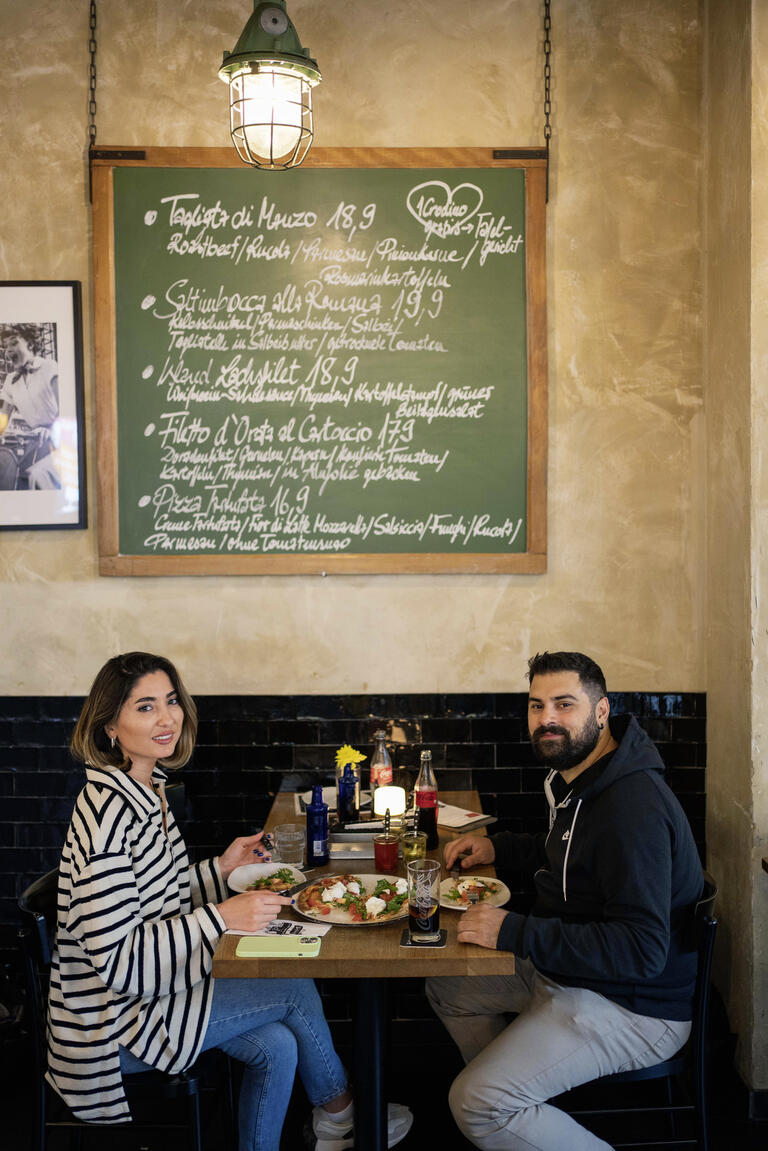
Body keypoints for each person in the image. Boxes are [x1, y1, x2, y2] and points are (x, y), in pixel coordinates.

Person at [47, 651, 412, 1151]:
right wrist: (220, 916)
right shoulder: (109, 817)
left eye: (171, 701)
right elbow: (118, 959)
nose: (167, 718)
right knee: (292, 985)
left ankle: (326, 1129)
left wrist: (221, 869)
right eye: (145, 707)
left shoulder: (145, 789)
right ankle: (343, 1117)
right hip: (112, 1024)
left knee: (278, 1045)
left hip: (154, 995)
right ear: (110, 724)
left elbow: (157, 896)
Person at [426, 650, 705, 1151]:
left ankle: (502, 1108)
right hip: (573, 973)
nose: (547, 719)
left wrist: (513, 930)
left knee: (475, 1103)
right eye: (536, 706)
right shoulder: (584, 776)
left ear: (601, 711)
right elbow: (573, 852)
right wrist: (499, 847)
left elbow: (642, 951)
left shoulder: (631, 808)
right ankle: (525, 1113)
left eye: (564, 704)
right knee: (449, 987)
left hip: (634, 1006)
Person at [0, 331, 60, 489]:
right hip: (34, 444)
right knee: (13, 477)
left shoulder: (49, 367)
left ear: (30, 344)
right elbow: (3, 420)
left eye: (14, 343)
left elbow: (65, 406)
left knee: (35, 477)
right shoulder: (10, 381)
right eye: (6, 346)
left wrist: (52, 430)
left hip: (59, 441)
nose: (8, 350)